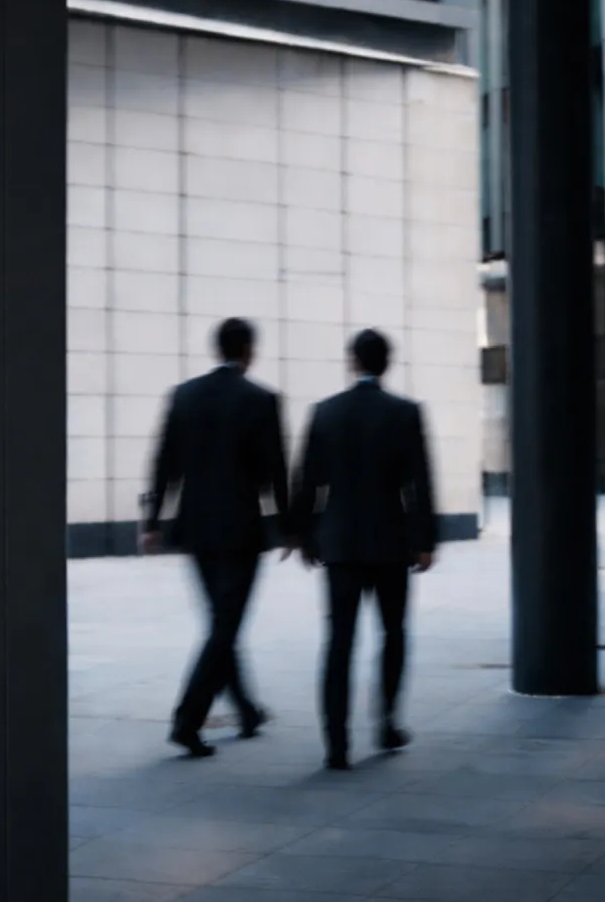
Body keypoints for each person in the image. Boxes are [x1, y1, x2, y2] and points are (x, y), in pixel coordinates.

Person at [142, 317, 291, 759]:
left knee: (221, 624)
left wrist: (153, 520)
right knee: (225, 626)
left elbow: (164, 462)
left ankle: (245, 710)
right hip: (242, 531)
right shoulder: (261, 400)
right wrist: (287, 527)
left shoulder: (184, 396)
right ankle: (187, 721)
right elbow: (274, 471)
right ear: (249, 351)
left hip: (195, 529)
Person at [290, 328, 438, 771]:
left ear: (352, 362)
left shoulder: (326, 412)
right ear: (387, 363)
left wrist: (303, 535)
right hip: (391, 543)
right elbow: (419, 484)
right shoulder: (405, 413)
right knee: (392, 634)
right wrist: (425, 541)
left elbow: (308, 481)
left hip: (340, 544)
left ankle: (336, 743)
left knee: (339, 642)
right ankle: (387, 722)